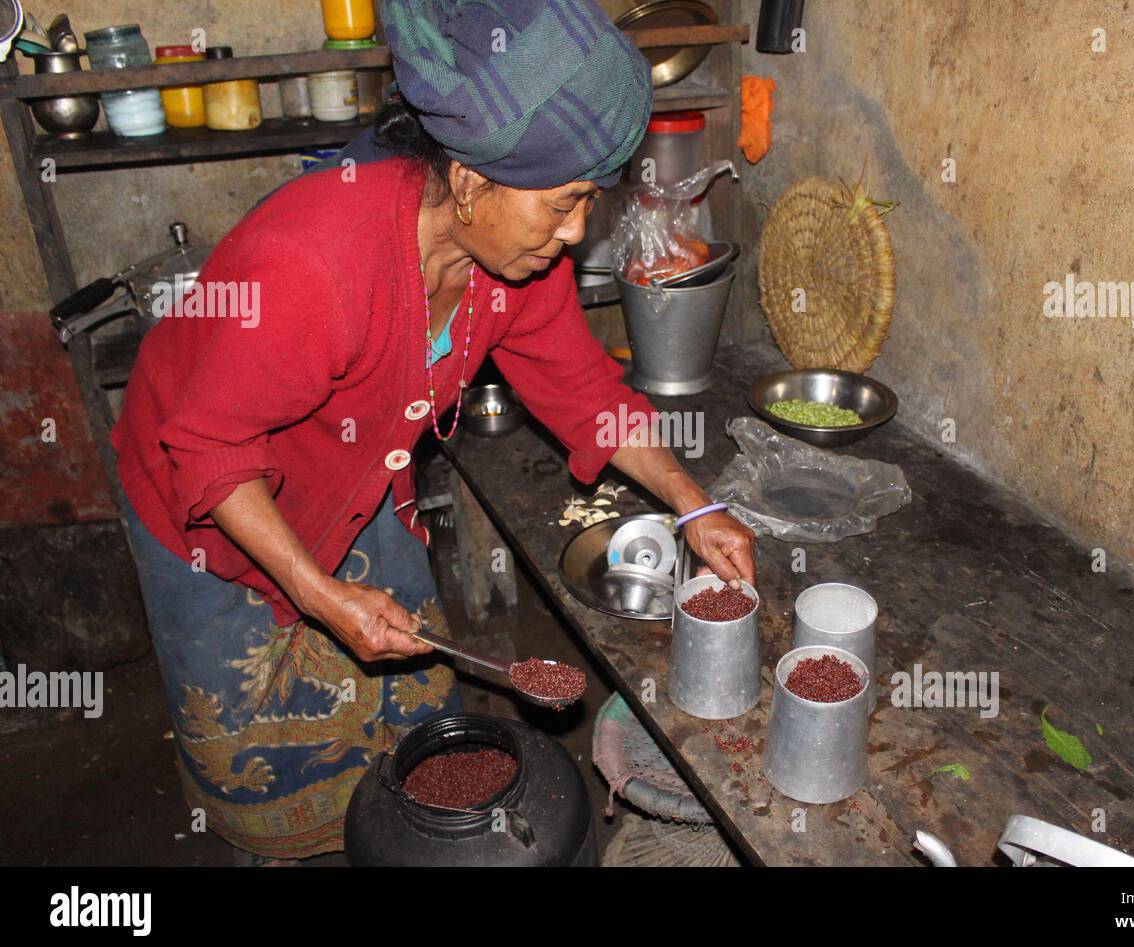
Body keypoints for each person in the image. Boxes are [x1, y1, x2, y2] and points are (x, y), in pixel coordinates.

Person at [110, 0, 755, 862]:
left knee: (409, 694)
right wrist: (315, 592)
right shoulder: (313, 264)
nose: (574, 235)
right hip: (209, 505)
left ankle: (395, 825)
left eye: (589, 204)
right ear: (468, 183)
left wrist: (690, 506)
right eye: (563, 204)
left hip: (350, 473)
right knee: (262, 735)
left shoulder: (512, 266)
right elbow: (210, 449)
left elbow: (579, 388)